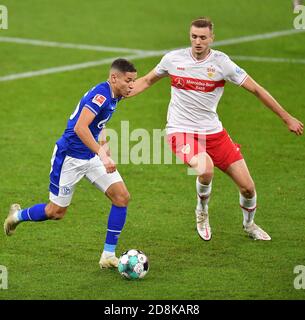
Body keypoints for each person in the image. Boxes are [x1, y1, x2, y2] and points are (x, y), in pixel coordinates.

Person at [129, 17, 304, 241]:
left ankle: (249, 225)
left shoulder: (222, 64)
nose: (198, 42)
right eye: (194, 37)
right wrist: (120, 94)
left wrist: (286, 117)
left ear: (212, 38)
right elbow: (146, 81)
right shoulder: (173, 59)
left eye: (203, 37)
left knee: (248, 188)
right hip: (180, 131)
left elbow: (257, 90)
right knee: (205, 168)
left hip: (214, 133)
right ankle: (201, 211)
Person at [4, 58, 137, 268]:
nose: (131, 85)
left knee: (122, 197)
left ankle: (108, 255)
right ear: (114, 78)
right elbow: (80, 128)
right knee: (55, 212)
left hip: (90, 156)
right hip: (69, 157)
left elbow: (97, 124)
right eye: (128, 81)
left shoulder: (116, 95)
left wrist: (103, 145)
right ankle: (17, 215)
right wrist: (103, 154)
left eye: (133, 81)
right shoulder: (101, 96)